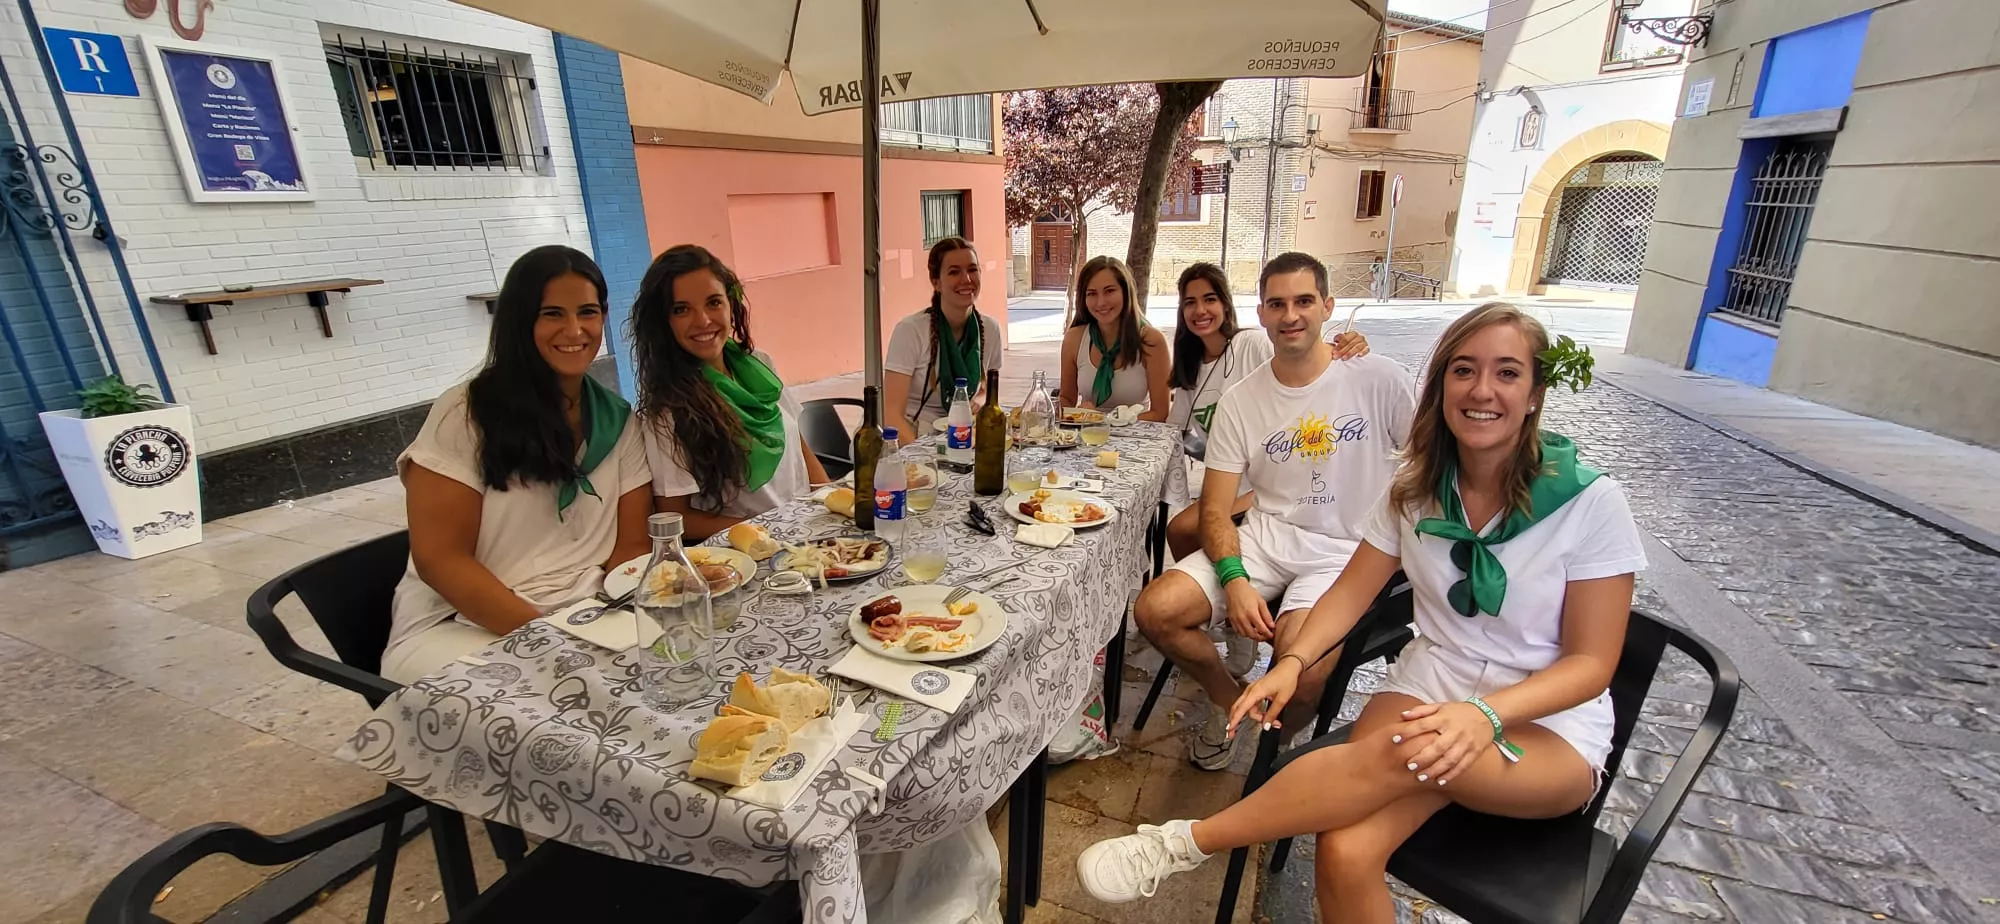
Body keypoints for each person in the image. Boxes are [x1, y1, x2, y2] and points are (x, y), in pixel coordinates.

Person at [1076, 303, 1647, 924]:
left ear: (1534, 392)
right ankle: (1194, 839)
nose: (1483, 390)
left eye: (1507, 373)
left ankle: (1188, 842)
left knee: (1396, 753)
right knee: (1345, 851)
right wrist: (1290, 663)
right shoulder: (1415, 488)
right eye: (1464, 370)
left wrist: (1486, 715)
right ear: (1441, 386)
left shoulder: (1591, 504)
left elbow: (1593, 664)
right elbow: (1349, 593)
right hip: (1428, 690)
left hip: (1544, 726)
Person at [1134, 252, 1416, 771]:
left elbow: (1425, 465)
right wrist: (1235, 579)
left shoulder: (1379, 378)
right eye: (1277, 304)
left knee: (1305, 670)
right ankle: (1229, 699)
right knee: (1156, 610)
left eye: (1304, 301)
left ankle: (1278, 743)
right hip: (1265, 539)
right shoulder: (1243, 399)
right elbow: (1216, 509)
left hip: (1343, 555)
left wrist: (1406, 545)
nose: (1291, 315)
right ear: (1260, 314)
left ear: (1328, 307)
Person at [382, 246, 654, 683]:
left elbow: (631, 546)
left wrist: (622, 614)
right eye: (551, 314)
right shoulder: (466, 415)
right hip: (463, 626)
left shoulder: (617, 420)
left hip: (586, 613)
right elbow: (440, 559)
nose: (574, 329)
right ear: (518, 320)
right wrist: (545, 641)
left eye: (587, 312)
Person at [1162, 262, 1372, 561]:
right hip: (1228, 480)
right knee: (1181, 530)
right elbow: (1175, 430)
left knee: (1183, 528)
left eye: (1209, 299)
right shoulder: (1190, 365)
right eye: (1190, 303)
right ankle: (1216, 587)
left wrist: (1348, 344)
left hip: (1271, 482)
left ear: (1225, 303)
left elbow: (1298, 360)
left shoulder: (1249, 344)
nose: (1200, 311)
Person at [630, 245, 830, 541]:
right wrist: (765, 529)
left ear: (730, 305)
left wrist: (829, 497)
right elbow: (678, 516)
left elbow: (799, 447)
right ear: (662, 321)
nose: (703, 320)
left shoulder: (760, 365)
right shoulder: (667, 412)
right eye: (681, 309)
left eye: (713, 303)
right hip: (749, 553)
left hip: (808, 530)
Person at [883, 236, 1004, 446]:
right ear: (936, 282)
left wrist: (979, 400)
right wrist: (921, 459)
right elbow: (890, 414)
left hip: (960, 437)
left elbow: (986, 389)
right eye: (954, 271)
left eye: (972, 269)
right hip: (908, 438)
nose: (966, 279)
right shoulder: (911, 331)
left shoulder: (990, 330)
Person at [1059, 256, 1169, 421]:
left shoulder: (1152, 341)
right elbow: (1066, 400)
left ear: (1126, 292)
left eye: (1109, 291)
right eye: (1092, 294)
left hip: (1138, 438)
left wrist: (1104, 421)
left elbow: (1160, 413)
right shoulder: (1074, 339)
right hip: (1088, 437)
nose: (1101, 302)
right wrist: (1061, 410)